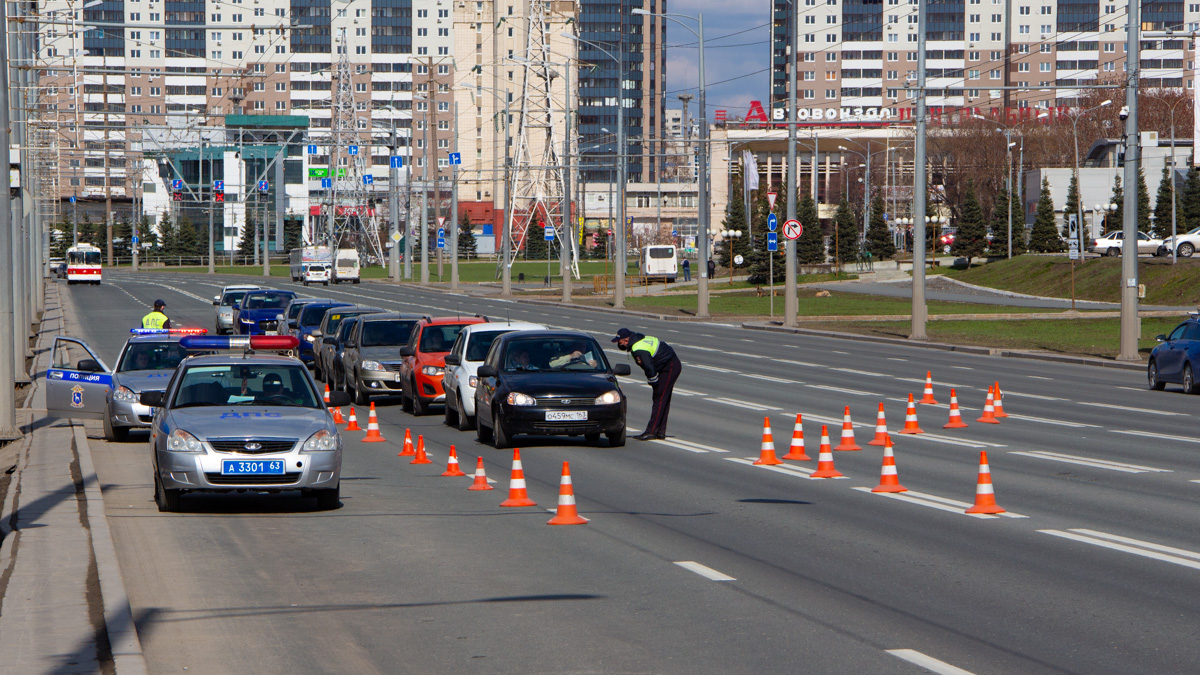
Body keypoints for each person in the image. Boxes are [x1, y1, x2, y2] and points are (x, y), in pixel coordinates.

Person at [613, 327, 682, 440]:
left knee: (659, 398)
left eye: (619, 342)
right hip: (668, 364)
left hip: (670, 366)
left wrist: (654, 381)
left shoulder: (638, 348)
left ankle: (651, 431)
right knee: (663, 398)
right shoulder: (639, 339)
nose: (618, 344)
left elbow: (648, 367)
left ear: (626, 340)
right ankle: (660, 432)